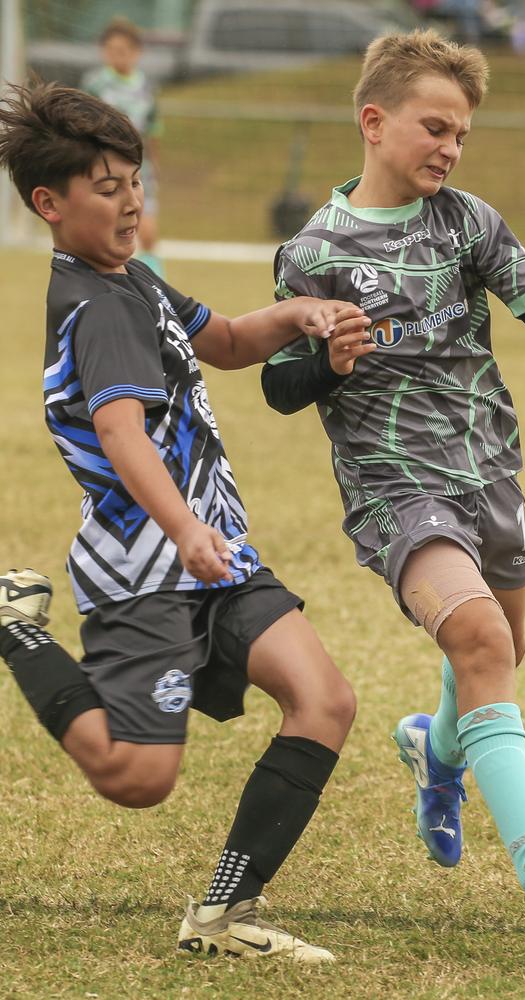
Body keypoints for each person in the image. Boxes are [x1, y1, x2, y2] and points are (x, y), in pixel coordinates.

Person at [261, 28, 525, 942]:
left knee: (499, 649)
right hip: (394, 487)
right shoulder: (314, 252)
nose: (449, 146)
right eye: (435, 127)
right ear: (374, 121)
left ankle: (434, 755)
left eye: (462, 134)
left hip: (487, 470)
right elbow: (280, 387)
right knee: (478, 637)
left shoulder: (470, 221)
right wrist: (330, 366)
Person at [0, 80, 361, 962]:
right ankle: (17, 629)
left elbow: (230, 339)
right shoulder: (98, 307)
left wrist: (300, 317)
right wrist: (185, 530)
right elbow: (123, 433)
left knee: (322, 701)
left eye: (133, 180)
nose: (131, 202)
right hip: (150, 569)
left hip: (215, 553)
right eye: (106, 186)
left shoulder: (134, 280)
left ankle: (225, 916)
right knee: (138, 779)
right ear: (49, 203)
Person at [82, 17, 164, 275]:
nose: (116, 56)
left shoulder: (146, 86)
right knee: (106, 227)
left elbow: (152, 127)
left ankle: (154, 282)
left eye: (123, 51)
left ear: (137, 52)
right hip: (104, 168)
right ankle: (104, 276)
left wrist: (155, 161)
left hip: (139, 169)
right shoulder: (95, 84)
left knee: (147, 230)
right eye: (110, 51)